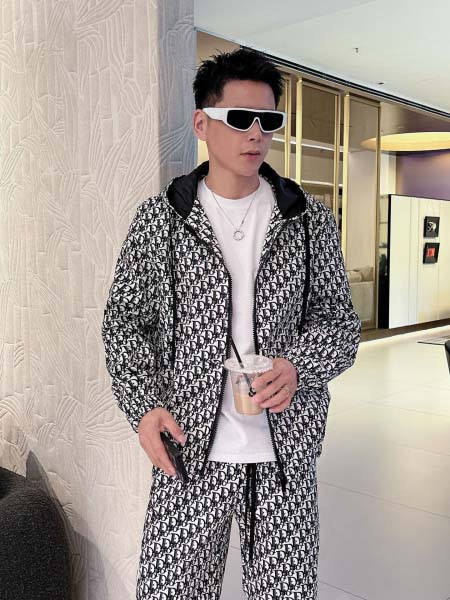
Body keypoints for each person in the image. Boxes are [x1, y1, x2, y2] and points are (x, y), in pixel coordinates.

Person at [101, 47, 361, 600]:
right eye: (241, 118)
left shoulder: (308, 220)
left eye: (269, 120)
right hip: (188, 453)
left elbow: (340, 324)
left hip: (285, 458)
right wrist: (143, 407)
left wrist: (298, 366)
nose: (257, 134)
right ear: (203, 124)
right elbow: (124, 323)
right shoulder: (162, 220)